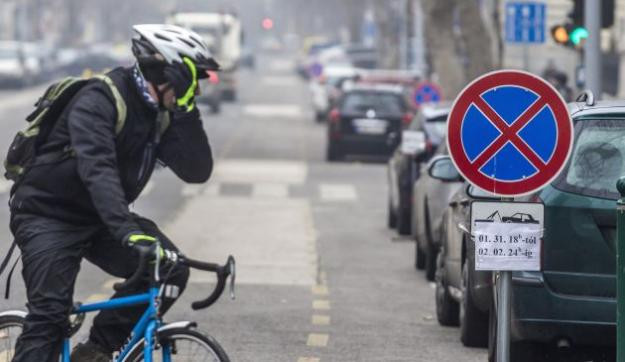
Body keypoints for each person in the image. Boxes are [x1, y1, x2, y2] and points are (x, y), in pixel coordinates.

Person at [8, 24, 219, 362]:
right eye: (188, 81)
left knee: (169, 268)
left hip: (98, 217)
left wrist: (186, 109)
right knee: (50, 315)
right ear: (161, 72)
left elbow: (197, 171)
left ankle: (95, 351)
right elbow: (98, 171)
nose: (194, 89)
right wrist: (127, 232)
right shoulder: (99, 100)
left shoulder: (159, 114)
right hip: (47, 216)